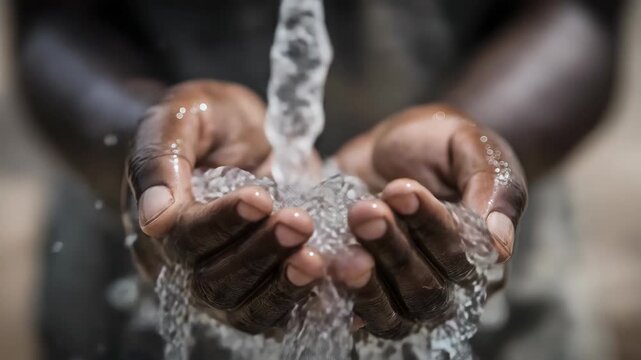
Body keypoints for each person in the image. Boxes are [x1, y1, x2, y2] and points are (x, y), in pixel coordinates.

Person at [14, 0, 624, 359]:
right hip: (124, 298)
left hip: (504, 318)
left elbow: (581, 11)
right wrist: (136, 141)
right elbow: (50, 16)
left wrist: (483, 140)